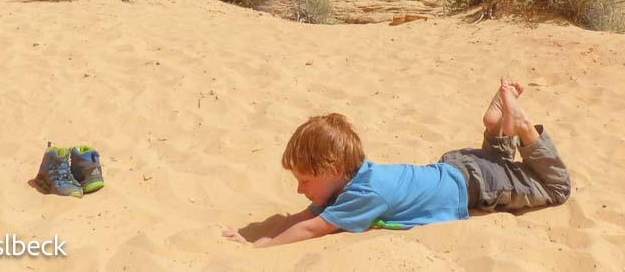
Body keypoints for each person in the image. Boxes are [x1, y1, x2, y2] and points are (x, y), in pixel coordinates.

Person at [223, 78, 571, 248]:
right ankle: (495, 126)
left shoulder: (365, 194)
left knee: (556, 189)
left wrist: (261, 248)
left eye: (305, 180)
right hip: (460, 165)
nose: (299, 189)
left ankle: (523, 127)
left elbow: (314, 228)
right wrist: (256, 232)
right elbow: (304, 216)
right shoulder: (352, 178)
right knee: (500, 162)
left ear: (332, 170)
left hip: (476, 185)